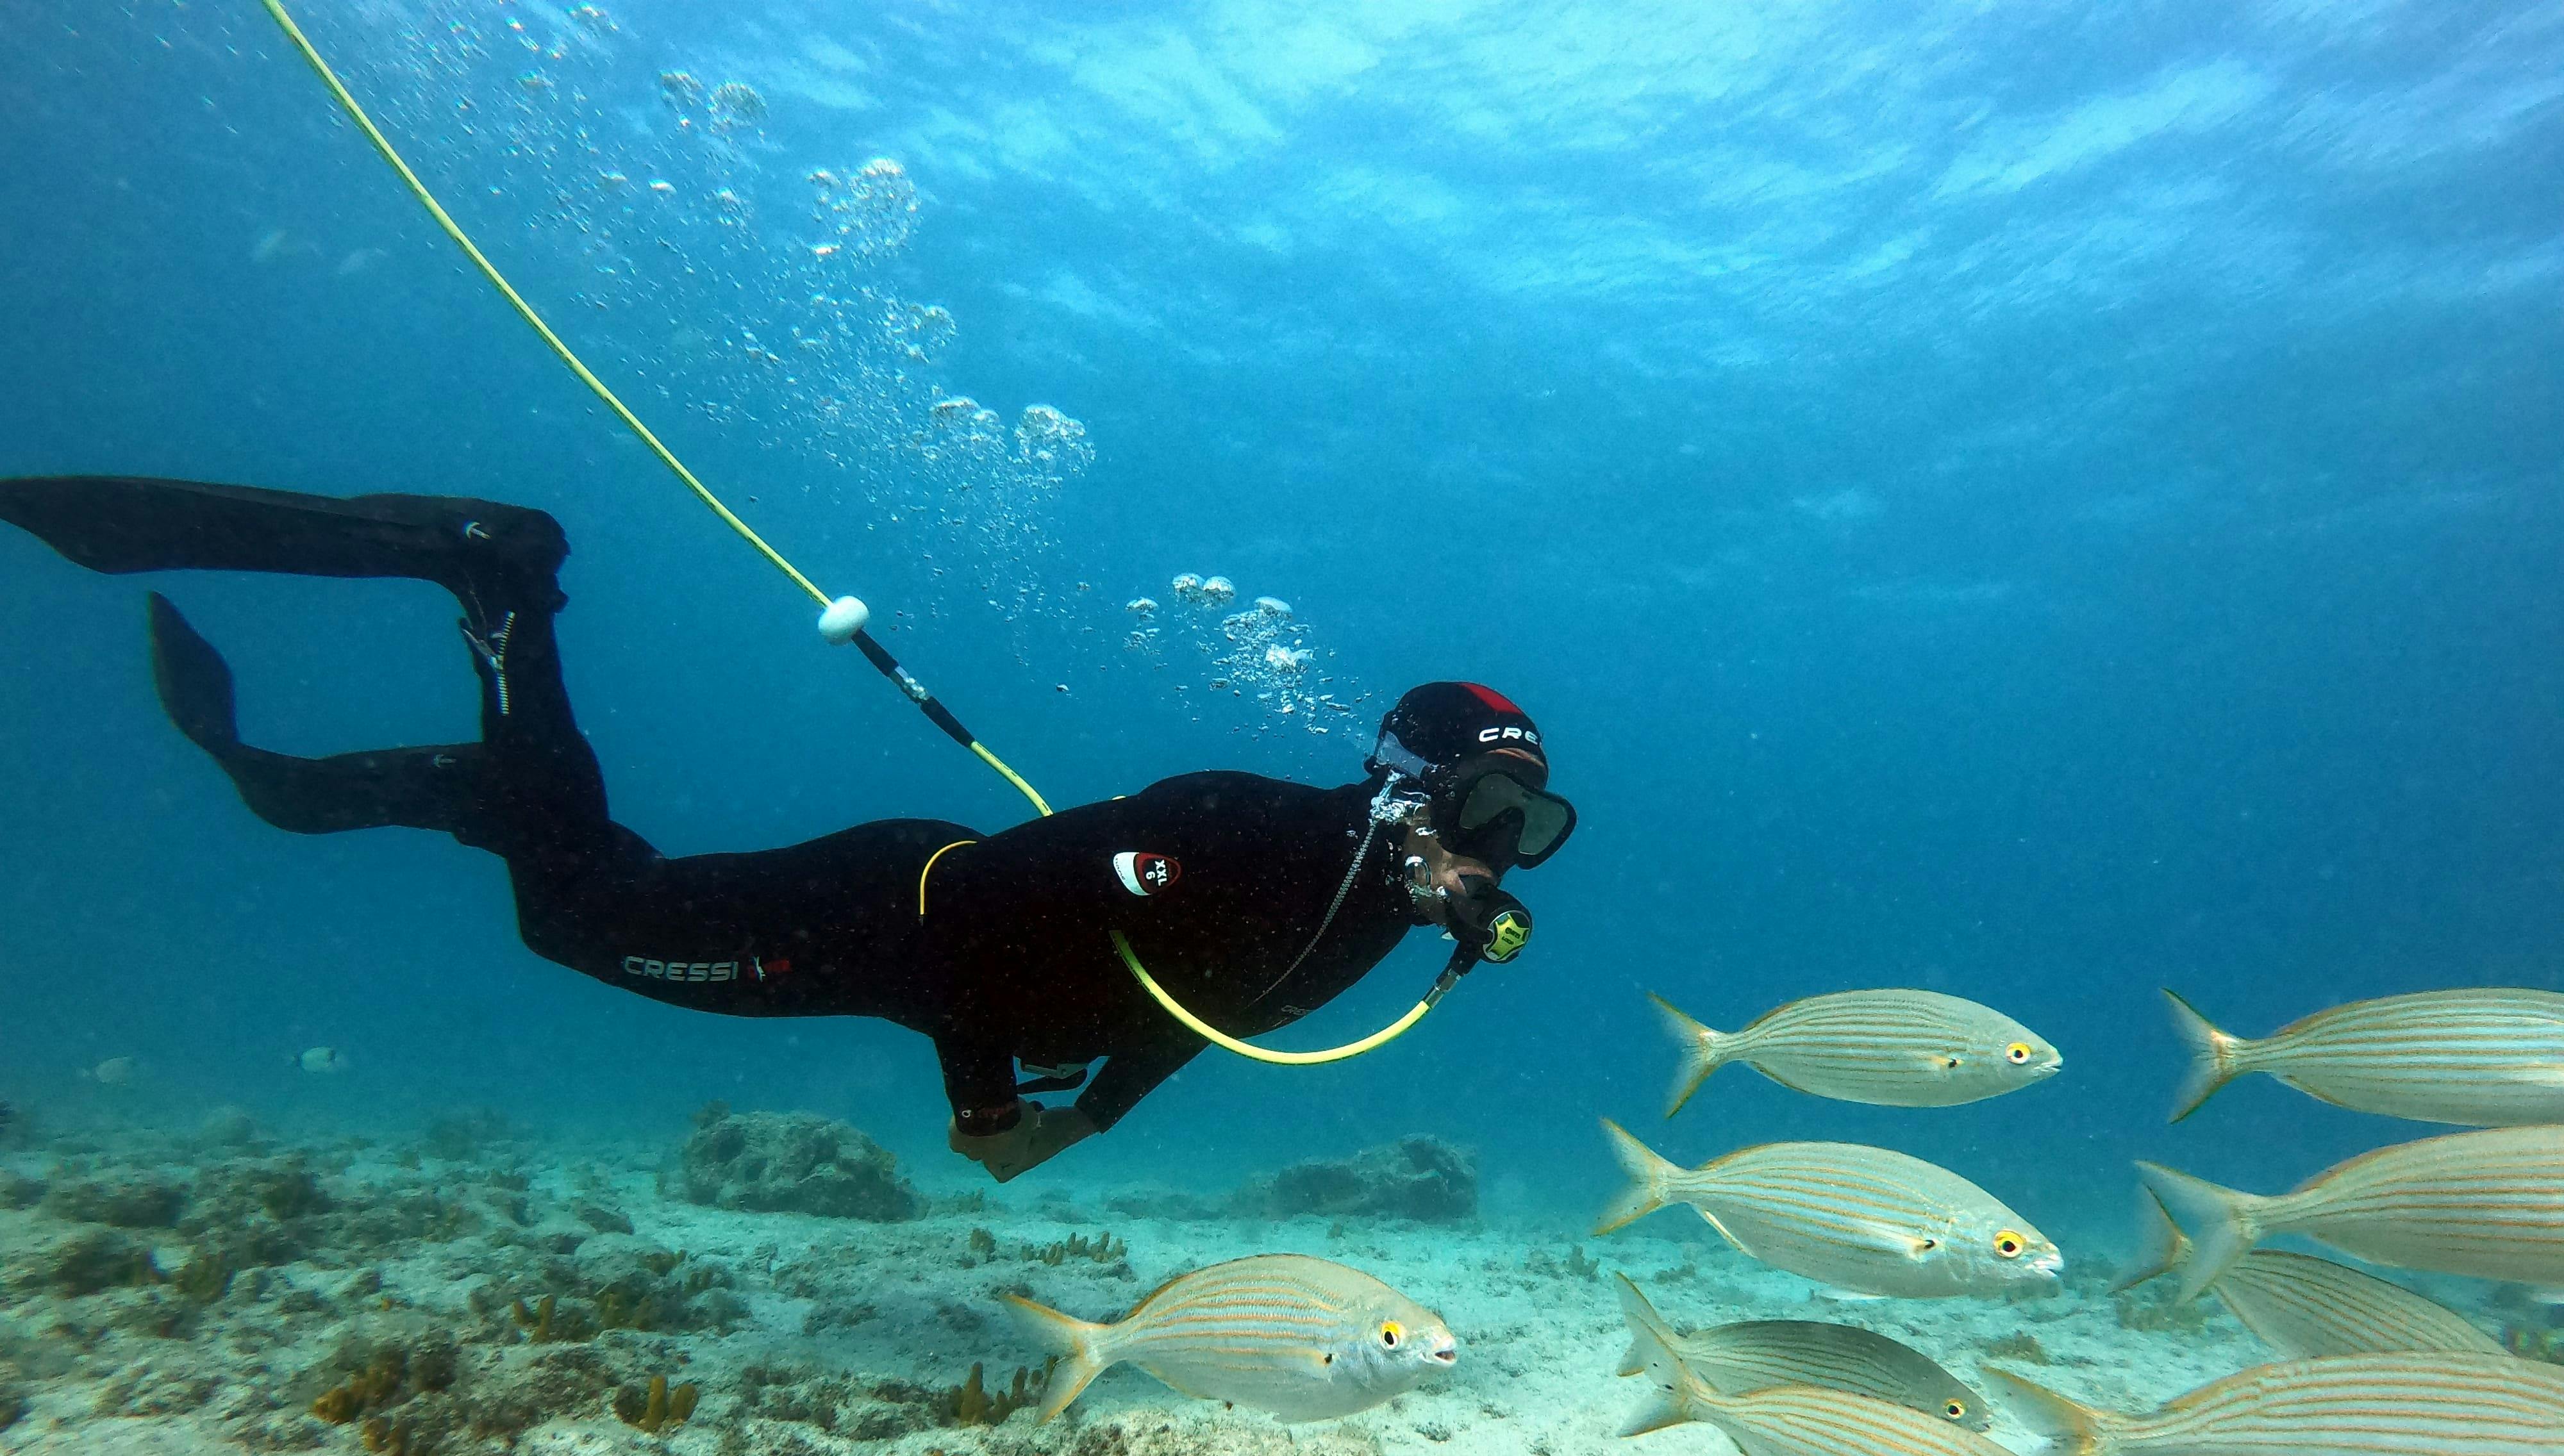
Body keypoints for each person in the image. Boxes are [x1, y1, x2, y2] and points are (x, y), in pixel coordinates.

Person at [0, 476, 1575, 1180]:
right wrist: (979, 1113)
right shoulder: (1245, 826)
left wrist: (1084, 1126)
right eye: (1483, 812)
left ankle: (467, 772)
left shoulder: (1371, 922)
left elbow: (1216, 1014)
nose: (1498, 856)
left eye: (1530, 828)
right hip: (882, 911)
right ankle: (500, 581)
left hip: (919, 958)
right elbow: (978, 920)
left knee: (575, 885)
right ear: (1399, 782)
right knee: (574, 918)